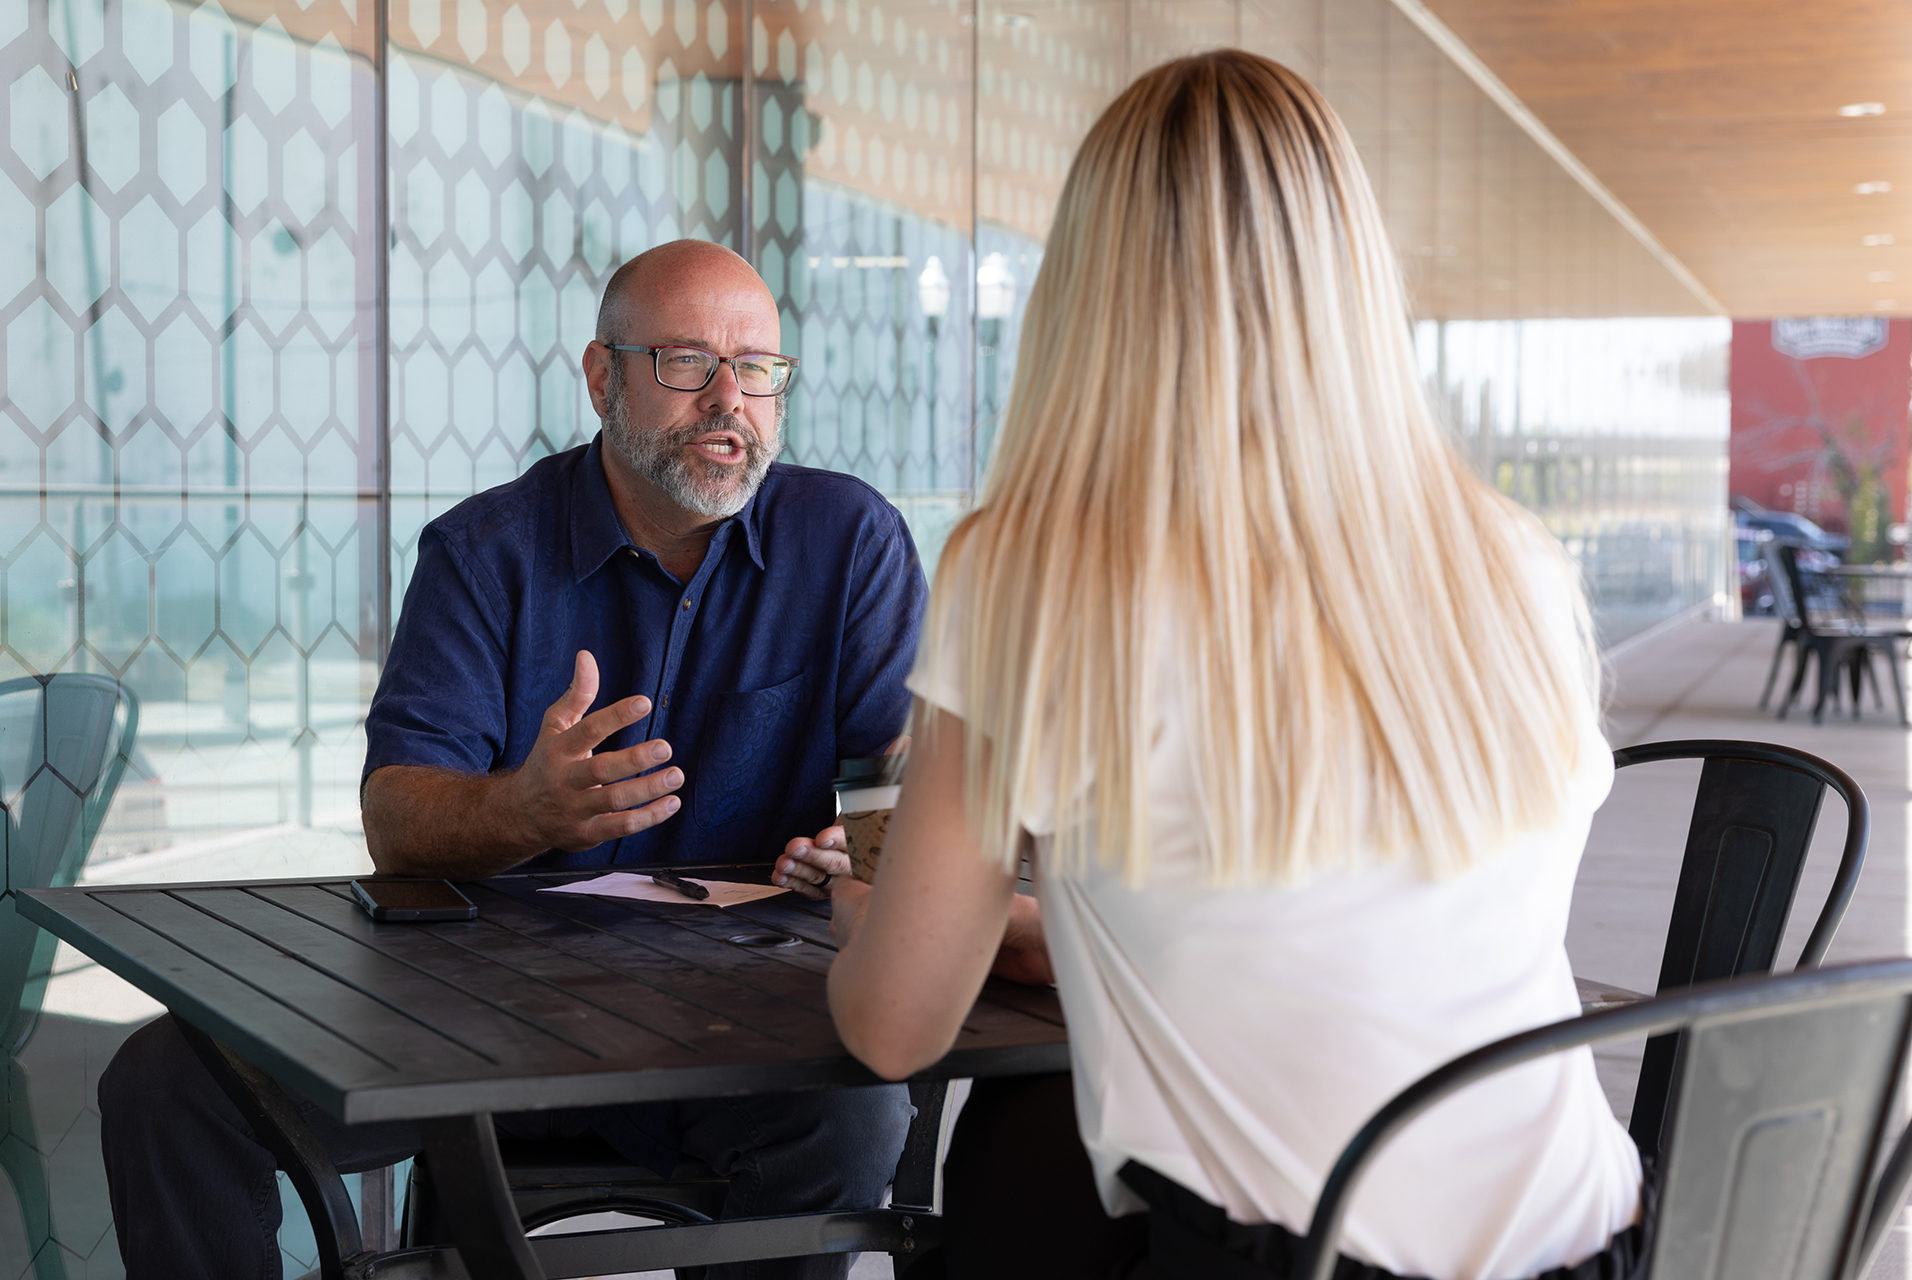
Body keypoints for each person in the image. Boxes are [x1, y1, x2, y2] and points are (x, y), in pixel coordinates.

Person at [825, 51, 1647, 1280]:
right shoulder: (1508, 558)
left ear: (1087, 290)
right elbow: (1382, 934)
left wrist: (867, 928)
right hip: (1593, 1243)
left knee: (996, 1180)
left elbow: (895, 1032)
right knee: (1029, 1152)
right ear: (1351, 278)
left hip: (1292, 1262)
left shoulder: (1031, 576)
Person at [99, 240, 921, 1280]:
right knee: (166, 1081)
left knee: (858, 1109)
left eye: (757, 367)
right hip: (491, 1021)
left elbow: (902, 781)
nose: (731, 398)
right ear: (600, 375)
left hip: (751, 1018)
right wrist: (526, 809)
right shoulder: (486, 551)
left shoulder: (849, 538)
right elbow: (397, 817)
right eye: (686, 361)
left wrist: (862, 844)